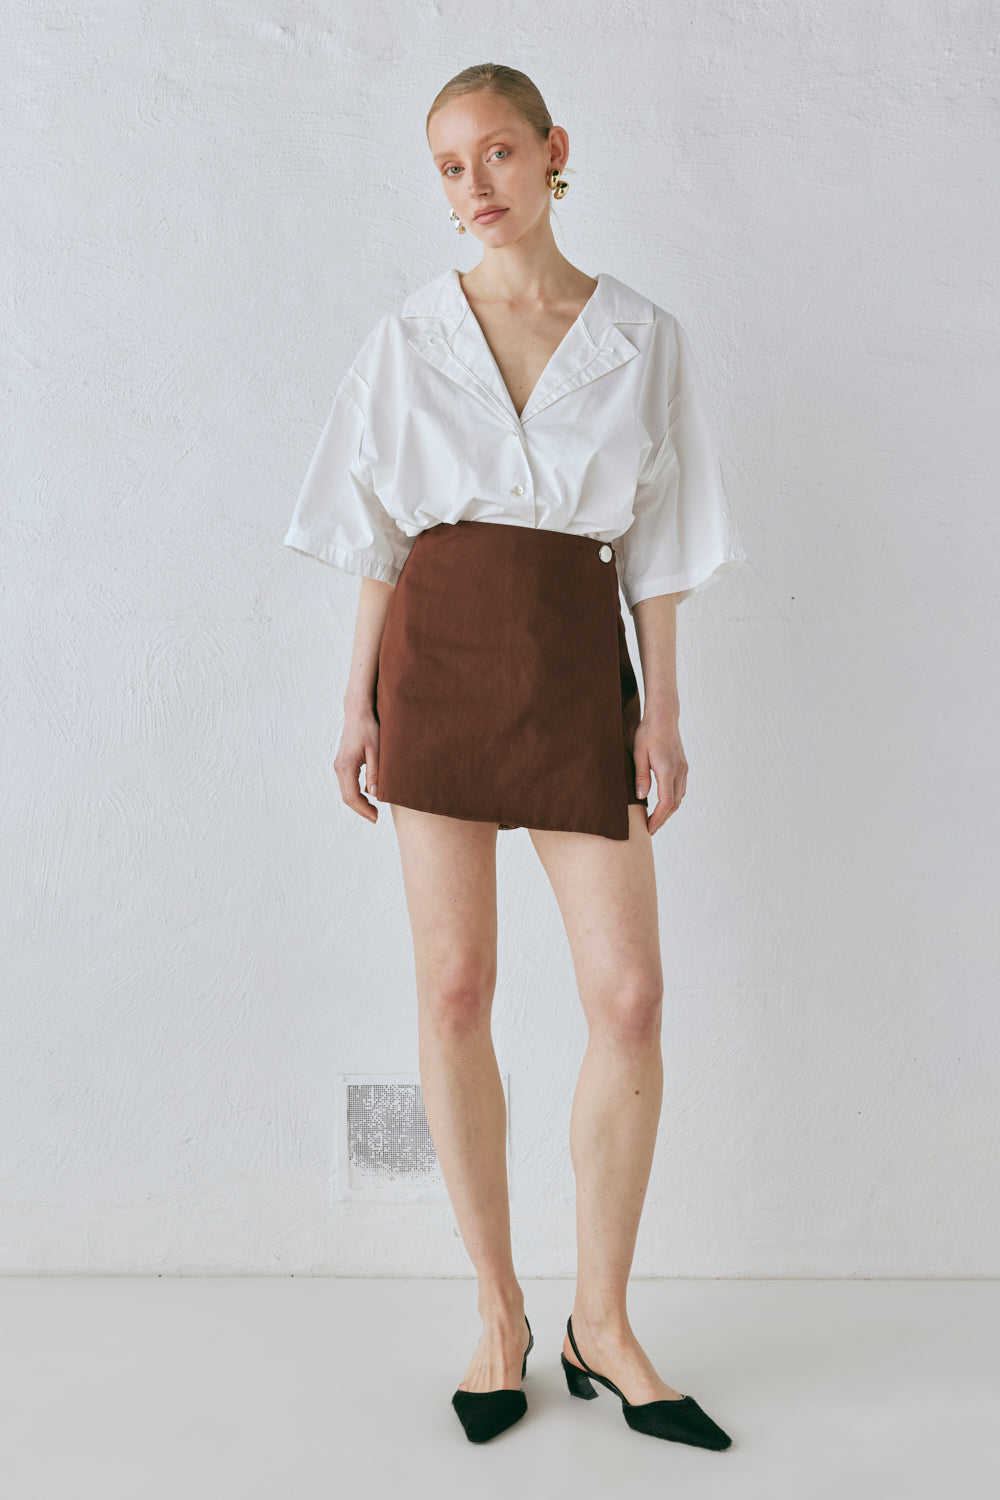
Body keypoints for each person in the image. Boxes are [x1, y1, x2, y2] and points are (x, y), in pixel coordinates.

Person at [284, 63, 747, 1447]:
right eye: (447, 165)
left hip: (571, 660)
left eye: (495, 152)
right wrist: (356, 704)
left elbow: (660, 546)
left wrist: (663, 711)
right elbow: (375, 536)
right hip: (434, 659)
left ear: (554, 151)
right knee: (455, 988)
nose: (473, 185)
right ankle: (498, 1313)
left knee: (630, 999)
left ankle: (603, 1321)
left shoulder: (642, 336)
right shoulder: (410, 334)